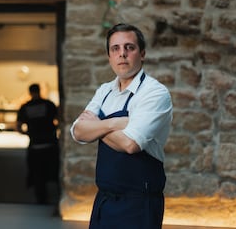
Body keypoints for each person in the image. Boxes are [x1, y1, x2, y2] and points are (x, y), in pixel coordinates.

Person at [70, 23, 173, 228]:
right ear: (109, 56)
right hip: (104, 200)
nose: (122, 54)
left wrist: (96, 126)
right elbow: (78, 131)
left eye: (129, 47)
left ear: (142, 54)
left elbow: (130, 144)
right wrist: (115, 123)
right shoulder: (105, 91)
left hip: (139, 203)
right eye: (115, 49)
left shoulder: (154, 93)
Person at [17, 83, 60, 205]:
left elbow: (19, 127)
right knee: (53, 173)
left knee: (37, 176)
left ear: (30, 92)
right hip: (50, 145)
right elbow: (60, 119)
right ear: (40, 91)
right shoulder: (49, 104)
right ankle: (57, 199)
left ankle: (41, 200)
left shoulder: (25, 107)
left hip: (35, 146)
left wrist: (29, 133)